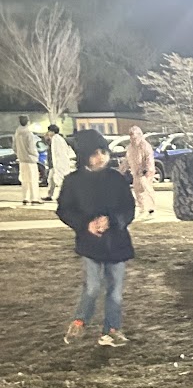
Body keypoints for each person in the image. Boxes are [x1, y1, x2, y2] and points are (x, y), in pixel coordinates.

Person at [57, 129, 136, 347]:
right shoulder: (73, 181)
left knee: (115, 290)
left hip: (117, 242)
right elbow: (64, 210)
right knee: (92, 287)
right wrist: (86, 224)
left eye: (103, 151)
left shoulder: (117, 178)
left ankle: (111, 329)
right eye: (94, 153)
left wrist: (113, 220)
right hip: (90, 243)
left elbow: (128, 209)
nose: (100, 157)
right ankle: (80, 321)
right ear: (84, 156)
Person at [122, 124, 157, 218]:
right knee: (138, 190)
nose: (132, 139)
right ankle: (142, 208)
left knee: (147, 189)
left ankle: (151, 209)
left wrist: (147, 170)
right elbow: (127, 160)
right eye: (131, 137)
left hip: (144, 172)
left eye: (134, 137)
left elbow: (149, 159)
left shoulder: (145, 146)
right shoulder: (130, 147)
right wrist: (122, 170)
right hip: (135, 172)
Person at [14, 115, 40, 207]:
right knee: (33, 179)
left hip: (22, 160)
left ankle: (25, 198)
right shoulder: (29, 134)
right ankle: (34, 198)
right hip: (30, 160)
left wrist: (19, 154)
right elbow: (31, 148)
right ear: (28, 122)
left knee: (24, 180)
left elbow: (14, 147)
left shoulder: (17, 133)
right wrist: (36, 155)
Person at [44, 123, 73, 203]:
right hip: (57, 164)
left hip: (58, 164)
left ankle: (62, 196)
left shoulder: (56, 140)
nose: (48, 133)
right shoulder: (59, 139)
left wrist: (56, 164)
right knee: (52, 179)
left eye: (49, 131)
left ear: (52, 131)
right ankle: (51, 195)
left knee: (59, 180)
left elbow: (57, 153)